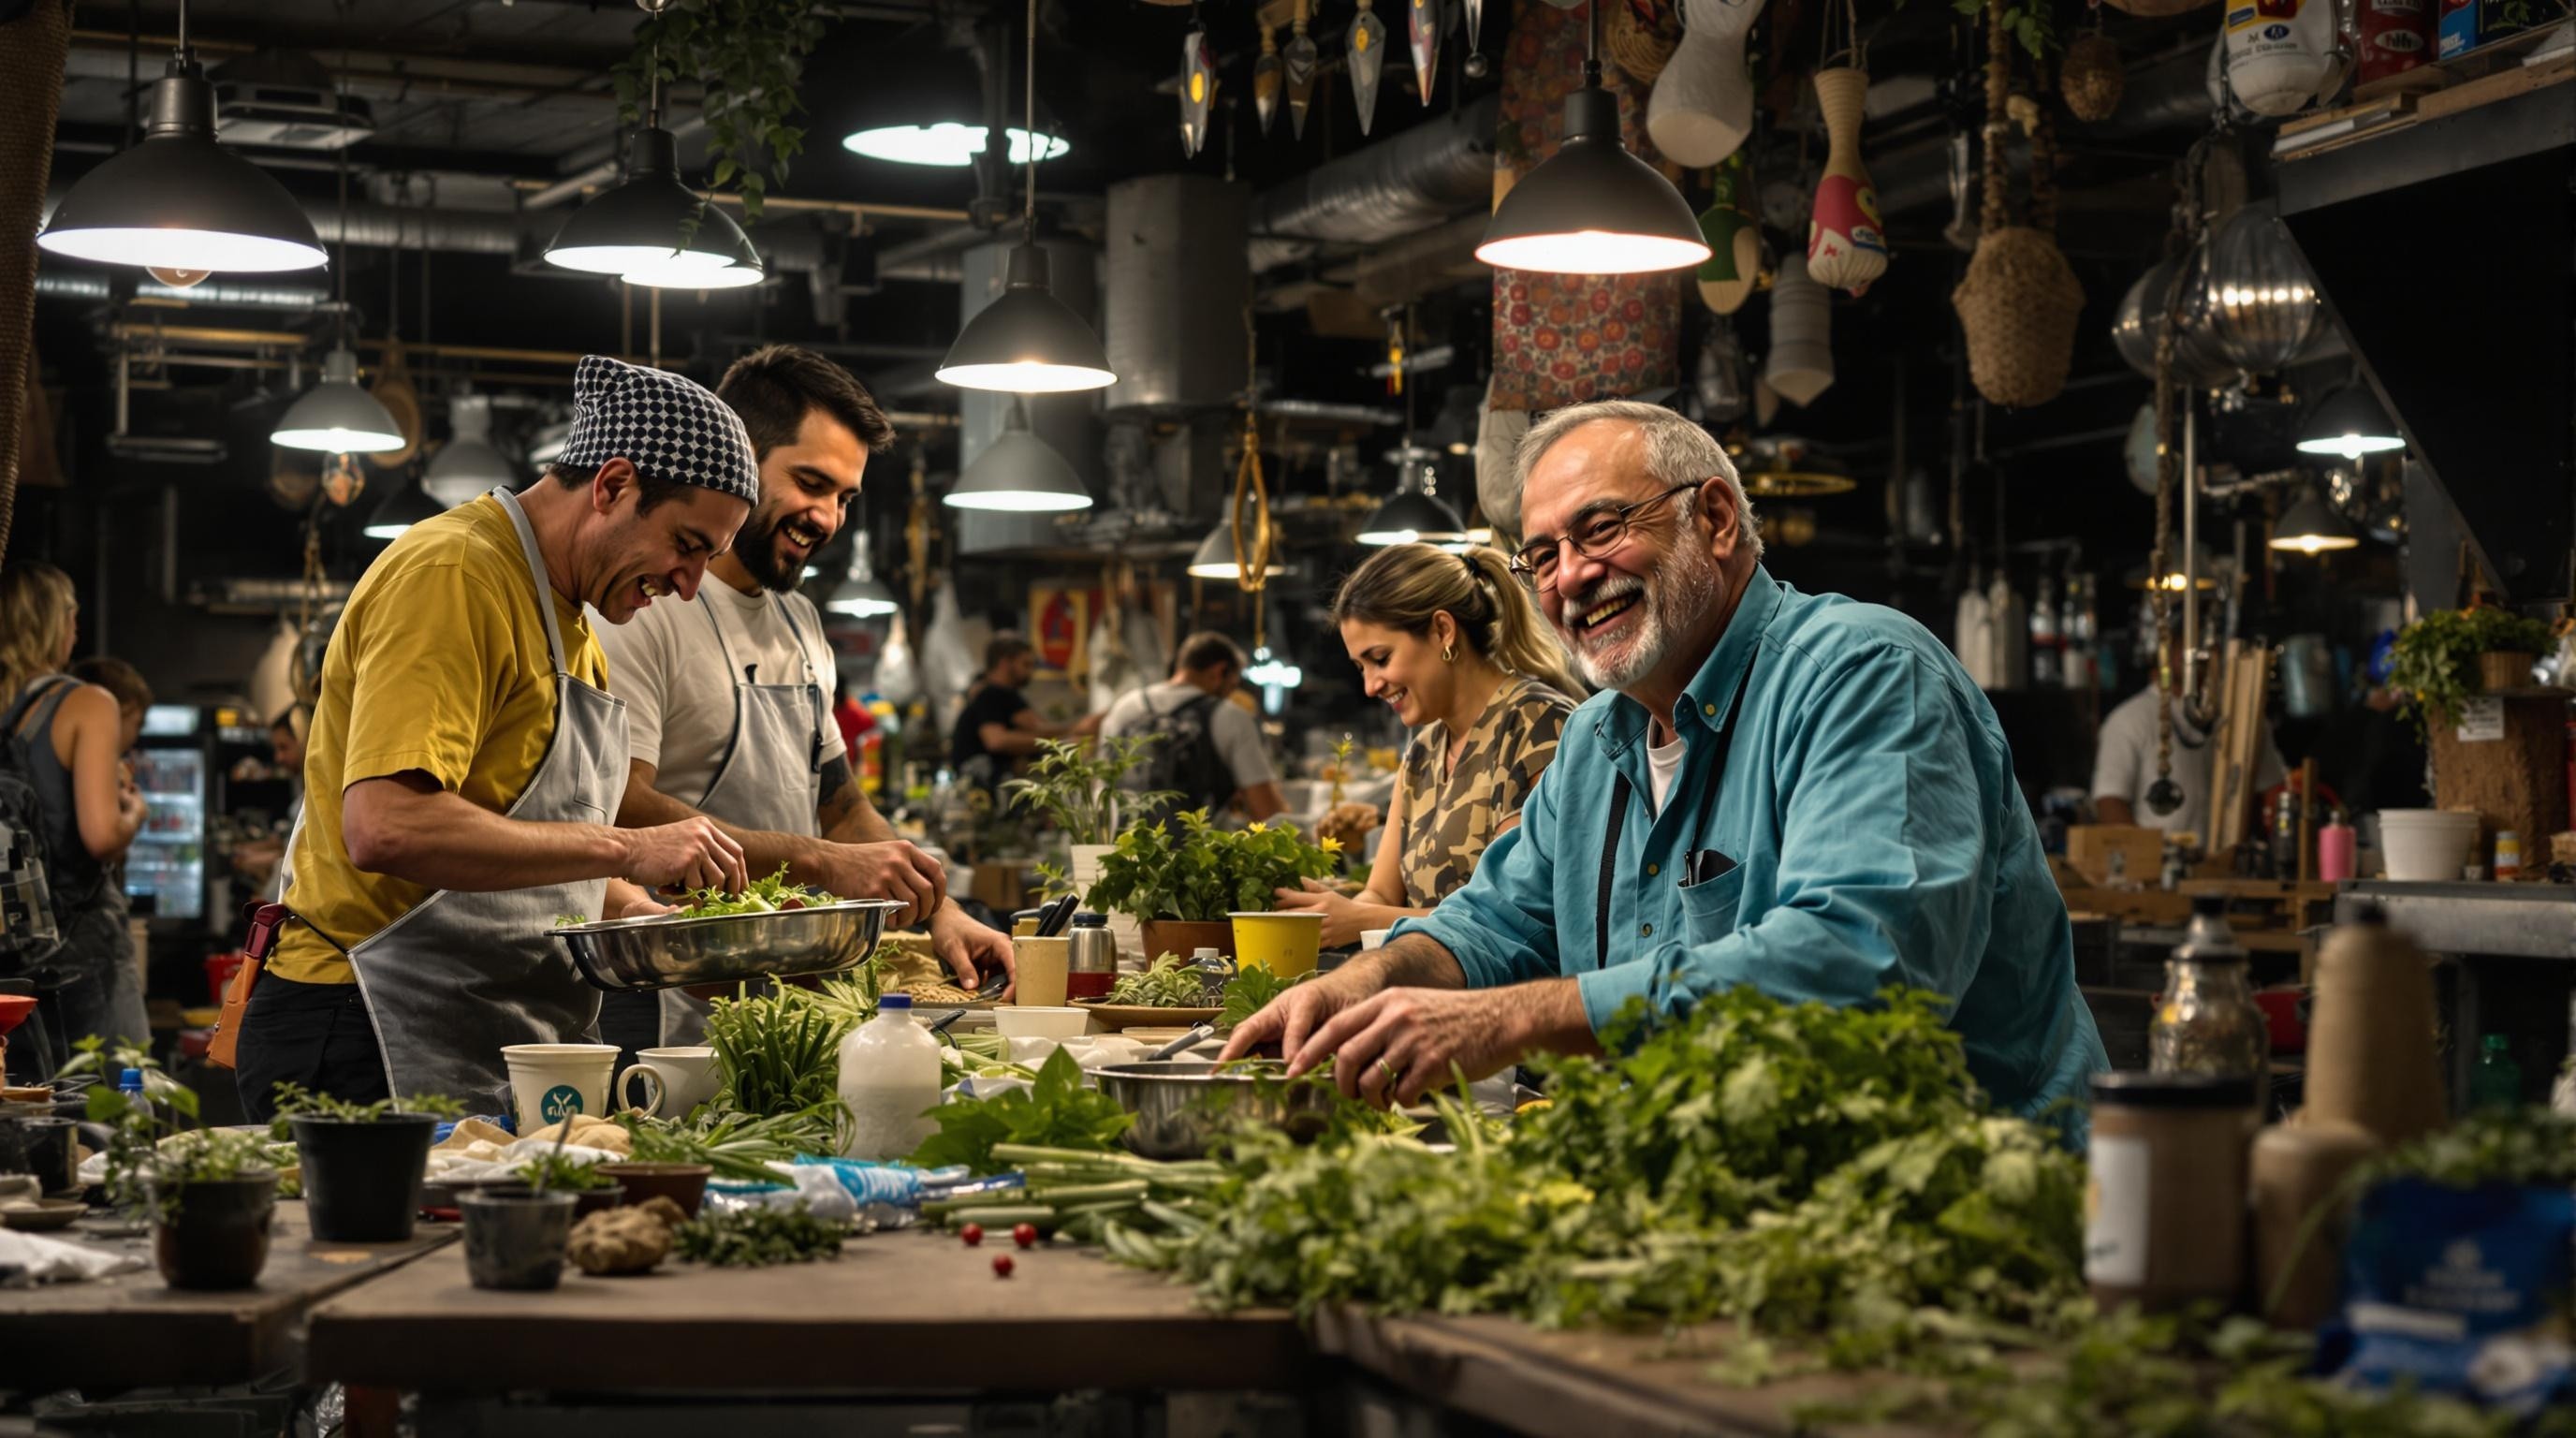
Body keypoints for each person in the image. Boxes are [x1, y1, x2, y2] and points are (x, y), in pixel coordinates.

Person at [1224, 400, 2106, 1134]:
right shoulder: (1595, 742)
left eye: (1600, 529)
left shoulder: (1862, 671)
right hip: (1727, 1192)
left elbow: (1863, 963)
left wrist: (1518, 1016)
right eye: (1542, 557)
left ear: (1715, 519)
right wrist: (1360, 984)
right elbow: (1495, 923)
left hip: (1968, 1203)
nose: (1571, 577)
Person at [231, 356, 762, 1122]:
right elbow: (387, 827)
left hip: (477, 1029)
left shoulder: (575, 625)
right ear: (613, 487)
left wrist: (651, 929)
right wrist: (627, 849)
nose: (687, 583)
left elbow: (534, 856)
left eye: (708, 559)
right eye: (686, 544)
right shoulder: (456, 574)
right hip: (359, 1026)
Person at [594, 345, 1012, 1049]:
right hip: (667, 995)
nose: (827, 518)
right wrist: (820, 862)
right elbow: (620, 806)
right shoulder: (648, 606)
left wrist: (944, 913)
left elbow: (841, 807)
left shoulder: (801, 621)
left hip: (791, 1001)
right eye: (811, 483)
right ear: (740, 457)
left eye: (844, 498)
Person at [1271, 546, 1582, 946]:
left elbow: (1516, 912)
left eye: (1380, 658)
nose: (1370, 686)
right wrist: (1336, 913)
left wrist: (1363, 919)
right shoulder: (1423, 751)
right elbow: (1381, 893)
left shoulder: (1537, 726)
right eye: (1360, 668)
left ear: (1442, 631)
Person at [0, 565, 150, 1054]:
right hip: (80, 946)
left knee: (27, 1105)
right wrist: (134, 811)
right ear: (51, 622)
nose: (76, 629)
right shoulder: (86, 703)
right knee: (113, 1108)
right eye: (71, 615)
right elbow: (102, 835)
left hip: (10, 948)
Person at [2092, 629, 2286, 840]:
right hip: (2160, 863)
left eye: (2202, 641)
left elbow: (2273, 791)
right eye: (2182, 643)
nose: (2194, 651)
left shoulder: (2241, 716)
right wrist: (2146, 857)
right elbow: (2110, 802)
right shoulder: (2128, 719)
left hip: (2227, 862)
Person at [1099, 632, 1286, 827]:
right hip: (1196, 854)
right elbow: (1267, 812)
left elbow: (1100, 791)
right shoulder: (1229, 716)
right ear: (1219, 672)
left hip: (1123, 851)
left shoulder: (1125, 707)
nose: (1231, 694)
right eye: (1232, 685)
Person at [948, 634, 1096, 791]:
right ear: (1005, 663)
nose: (1030, 672)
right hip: (982, 785)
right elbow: (996, 740)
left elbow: (1036, 726)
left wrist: (1070, 732)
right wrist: (1070, 733)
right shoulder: (991, 693)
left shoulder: (999, 694)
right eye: (1025, 664)